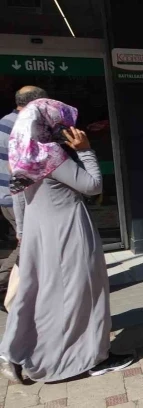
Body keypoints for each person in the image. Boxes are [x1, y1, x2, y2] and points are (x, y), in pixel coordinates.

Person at [0, 99, 133, 383]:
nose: (67, 129)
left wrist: (22, 233)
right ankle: (94, 358)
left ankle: (15, 351)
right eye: (61, 123)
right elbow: (92, 186)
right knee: (86, 293)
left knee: (39, 294)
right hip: (69, 231)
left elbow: (19, 199)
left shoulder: (22, 153)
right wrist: (85, 151)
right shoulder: (50, 155)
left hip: (38, 234)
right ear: (48, 125)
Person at [0, 86, 48, 304]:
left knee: (28, 245)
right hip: (18, 197)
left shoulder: (4, 121)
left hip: (6, 194)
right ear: (35, 104)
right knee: (26, 245)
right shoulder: (24, 126)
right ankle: (4, 285)